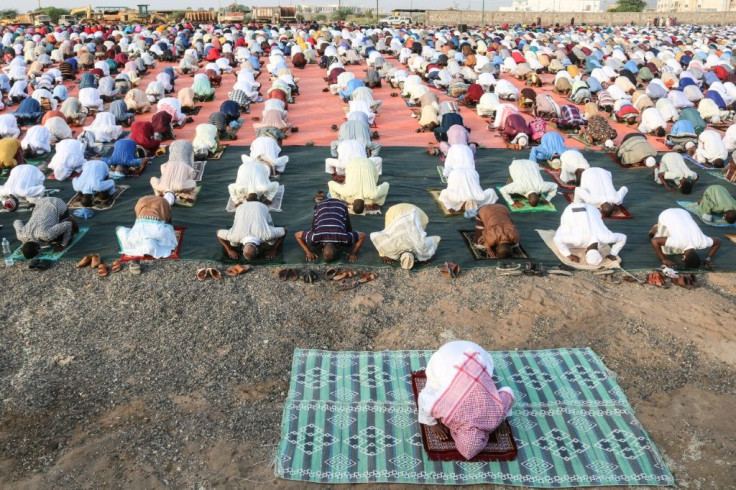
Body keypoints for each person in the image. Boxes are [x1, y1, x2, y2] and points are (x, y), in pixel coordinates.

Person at [417, 340, 514, 461]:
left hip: (475, 351)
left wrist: (502, 417)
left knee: (487, 379)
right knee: (434, 387)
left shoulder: (496, 416)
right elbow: (422, 398)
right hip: (445, 357)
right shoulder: (448, 413)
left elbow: (508, 392)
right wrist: (432, 423)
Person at [294, 198, 366, 263]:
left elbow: (363, 235)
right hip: (322, 205)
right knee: (348, 238)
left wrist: (308, 252)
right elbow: (297, 235)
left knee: (349, 240)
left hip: (335, 205)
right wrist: (353, 253)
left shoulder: (343, 237)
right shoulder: (315, 237)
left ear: (322, 250)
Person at [370, 203, 440, 269]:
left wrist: (427, 255)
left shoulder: (421, 246)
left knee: (418, 230)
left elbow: (436, 239)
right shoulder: (391, 246)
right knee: (389, 231)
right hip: (399, 211)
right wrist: (383, 254)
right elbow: (374, 236)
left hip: (414, 211)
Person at [554, 203, 627, 265]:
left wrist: (613, 254)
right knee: (564, 231)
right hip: (571, 209)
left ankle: (578, 202)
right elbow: (557, 239)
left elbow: (623, 237)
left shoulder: (606, 237)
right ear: (585, 252)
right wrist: (568, 255)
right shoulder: (578, 239)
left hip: (592, 208)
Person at [649, 208, 721, 269]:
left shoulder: (703, 243)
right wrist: (664, 259)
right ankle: (656, 228)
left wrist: (708, 259)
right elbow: (654, 241)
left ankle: (667, 228)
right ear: (683, 258)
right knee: (666, 251)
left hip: (684, 212)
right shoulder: (678, 242)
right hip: (667, 214)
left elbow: (718, 241)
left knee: (675, 245)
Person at [217, 199, 286, 260]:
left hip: (260, 206)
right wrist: (229, 250)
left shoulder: (267, 235)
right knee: (233, 243)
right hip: (242, 207)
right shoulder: (234, 236)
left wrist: (274, 248)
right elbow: (218, 232)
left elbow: (284, 230)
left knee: (272, 242)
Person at [116, 194, 178, 259]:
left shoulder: (136, 238)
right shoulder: (135, 239)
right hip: (141, 227)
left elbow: (171, 239)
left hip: (150, 228)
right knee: (123, 231)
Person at [14, 197, 78, 259]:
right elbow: (17, 221)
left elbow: (68, 225)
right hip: (41, 202)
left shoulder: (47, 235)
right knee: (50, 238)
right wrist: (25, 246)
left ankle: (70, 218)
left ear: (38, 248)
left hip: (58, 204)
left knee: (59, 238)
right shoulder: (21, 235)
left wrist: (63, 245)